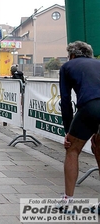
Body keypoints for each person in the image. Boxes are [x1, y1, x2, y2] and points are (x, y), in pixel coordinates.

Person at [59, 41, 100, 212]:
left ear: (73, 55)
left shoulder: (68, 66)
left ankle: (68, 201)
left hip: (90, 106)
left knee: (73, 150)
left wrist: (68, 131)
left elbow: (66, 101)